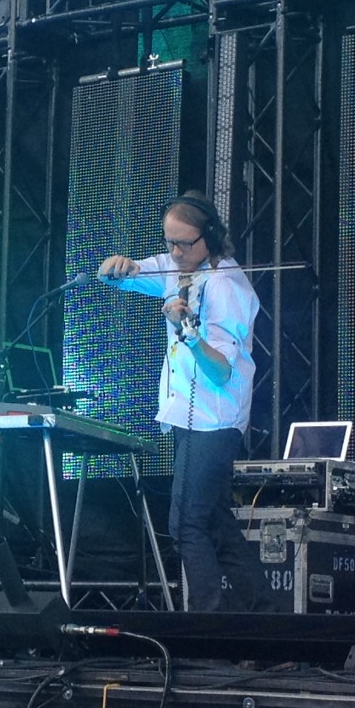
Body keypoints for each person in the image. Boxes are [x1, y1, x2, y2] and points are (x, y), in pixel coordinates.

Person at [97, 194, 276, 612]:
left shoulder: (227, 288)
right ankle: (267, 613)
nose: (175, 253)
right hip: (186, 418)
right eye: (169, 242)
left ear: (209, 238)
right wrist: (117, 266)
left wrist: (188, 331)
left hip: (213, 422)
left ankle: (206, 623)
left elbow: (220, 372)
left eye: (183, 244)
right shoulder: (181, 266)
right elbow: (121, 277)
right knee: (214, 522)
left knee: (185, 524)